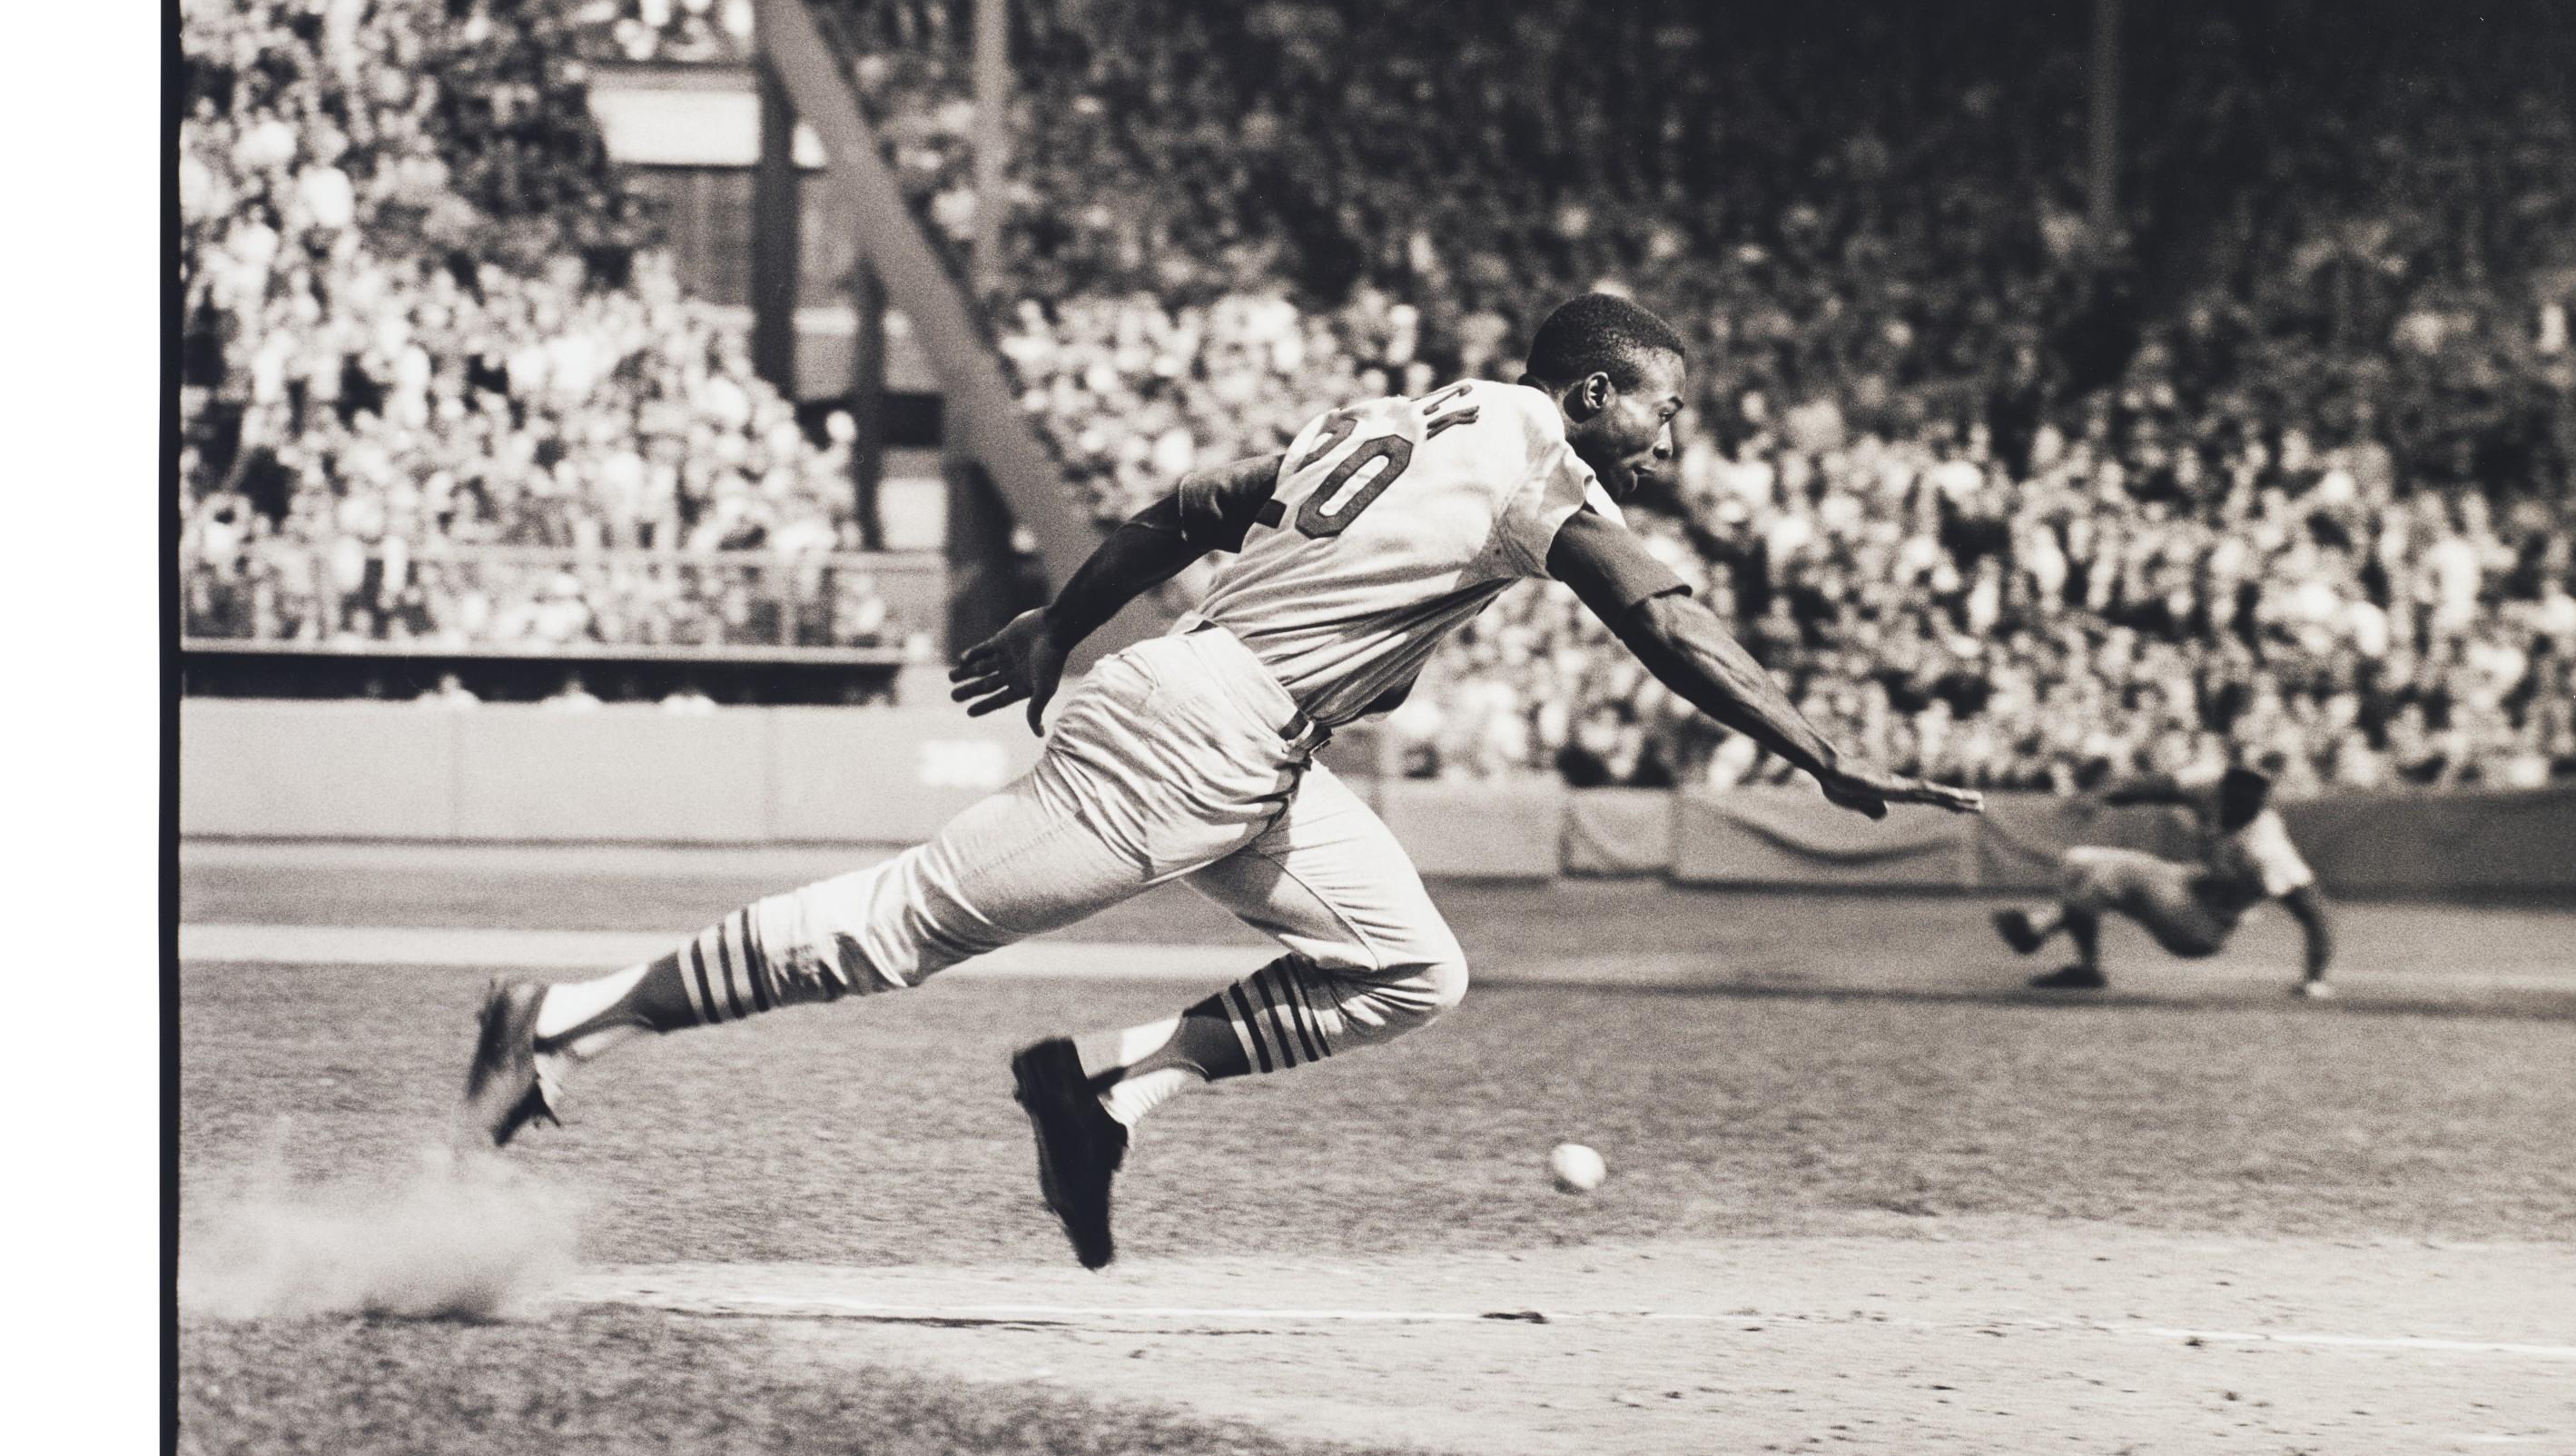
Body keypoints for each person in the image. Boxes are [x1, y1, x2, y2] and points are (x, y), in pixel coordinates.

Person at [462, 294, 1983, 1267]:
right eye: (1658, 400)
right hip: (1200, 734)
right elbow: (1662, 615)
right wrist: (1817, 752)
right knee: (894, 930)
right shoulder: (1538, 471)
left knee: (1407, 968)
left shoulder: (1403, 413)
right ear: (1588, 392)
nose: (1673, 429)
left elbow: (1193, 505)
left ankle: (1110, 1090)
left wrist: (1062, 623)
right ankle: (562, 1024)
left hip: (1244, 741)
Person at [1991, 764, 2334, 996]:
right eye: (2229, 794)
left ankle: (2039, 926)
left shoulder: (2267, 847)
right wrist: (2102, 796)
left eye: (2244, 802)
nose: (2228, 803)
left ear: (2259, 806)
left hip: (2204, 926)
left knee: (2116, 874)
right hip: (2185, 889)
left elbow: (2314, 912)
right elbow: (2158, 786)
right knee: (2077, 862)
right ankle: (2087, 969)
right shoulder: (2213, 787)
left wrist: (2315, 980)